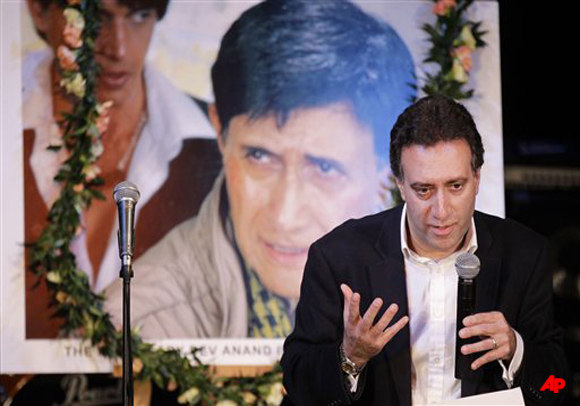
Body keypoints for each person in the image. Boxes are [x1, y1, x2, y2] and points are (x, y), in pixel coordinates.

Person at [104, 0, 416, 338]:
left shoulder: (431, 293)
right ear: (220, 132)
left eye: (325, 168)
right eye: (260, 157)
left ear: (388, 170)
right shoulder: (139, 321)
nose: (284, 216)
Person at [281, 95, 569, 405]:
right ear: (400, 185)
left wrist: (517, 350)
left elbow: (558, 387)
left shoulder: (525, 254)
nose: (441, 211)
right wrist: (350, 357)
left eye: (455, 186)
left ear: (477, 179)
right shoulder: (338, 257)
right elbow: (298, 385)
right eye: (424, 190)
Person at [23, 0, 218, 338]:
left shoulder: (214, 144)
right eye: (97, 17)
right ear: (39, 10)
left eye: (140, 16)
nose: (119, 48)